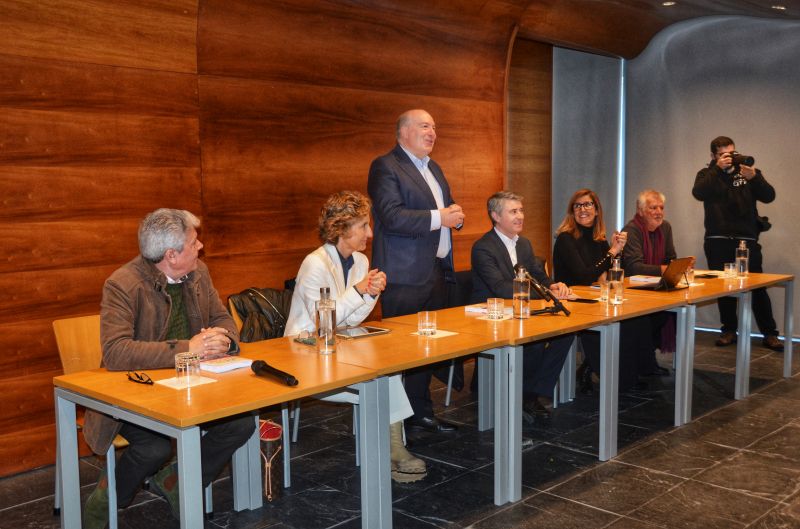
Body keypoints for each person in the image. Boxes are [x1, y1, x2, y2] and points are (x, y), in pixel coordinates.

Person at [82, 209, 255, 528]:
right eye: (194, 242)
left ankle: (176, 479)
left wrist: (225, 340)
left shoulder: (198, 272)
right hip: (136, 392)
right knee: (155, 447)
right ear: (172, 255)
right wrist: (188, 348)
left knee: (241, 423)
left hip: (194, 384)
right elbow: (117, 352)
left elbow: (221, 317)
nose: (200, 246)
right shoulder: (123, 284)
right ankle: (106, 502)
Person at [284, 190, 426, 482]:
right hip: (304, 352)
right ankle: (393, 451)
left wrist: (371, 292)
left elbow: (352, 319)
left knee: (388, 368)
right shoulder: (314, 263)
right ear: (341, 227)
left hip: (338, 346)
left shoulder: (360, 261)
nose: (370, 233)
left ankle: (392, 448)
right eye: (363, 226)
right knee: (380, 375)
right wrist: (361, 291)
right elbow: (322, 321)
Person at [368, 109, 465, 433]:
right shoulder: (386, 166)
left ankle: (421, 413)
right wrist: (441, 217)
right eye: (425, 126)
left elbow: (443, 209)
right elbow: (393, 216)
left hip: (435, 271)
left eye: (435, 126)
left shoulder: (433, 168)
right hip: (404, 275)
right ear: (404, 131)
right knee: (401, 351)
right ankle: (395, 423)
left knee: (427, 348)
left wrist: (455, 216)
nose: (432, 132)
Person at [472, 191, 574, 422]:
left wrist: (554, 287)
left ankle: (534, 392)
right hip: (491, 314)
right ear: (496, 216)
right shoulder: (483, 247)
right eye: (513, 211)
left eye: (521, 210)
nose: (520, 216)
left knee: (565, 334)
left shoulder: (524, 244)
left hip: (520, 310)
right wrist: (543, 294)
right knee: (535, 339)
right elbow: (500, 288)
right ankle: (523, 395)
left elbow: (539, 276)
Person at [553, 189, 656, 392]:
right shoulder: (566, 238)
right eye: (578, 205)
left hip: (594, 295)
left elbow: (607, 272)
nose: (583, 209)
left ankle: (633, 372)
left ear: (597, 210)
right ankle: (615, 377)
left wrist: (617, 249)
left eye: (588, 204)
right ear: (572, 211)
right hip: (572, 300)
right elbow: (584, 276)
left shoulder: (598, 239)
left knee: (638, 318)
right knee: (614, 323)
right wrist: (612, 252)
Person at [692, 136, 782, 351]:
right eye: (724, 154)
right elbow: (698, 192)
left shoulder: (747, 172)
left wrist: (755, 178)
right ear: (713, 156)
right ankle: (729, 330)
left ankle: (770, 334)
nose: (730, 158)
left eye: (732, 153)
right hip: (718, 239)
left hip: (747, 239)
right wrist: (717, 169)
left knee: (758, 287)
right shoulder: (707, 174)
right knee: (724, 288)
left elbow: (770, 196)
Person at [621, 190, 680, 372]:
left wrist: (678, 268)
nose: (658, 212)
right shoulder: (631, 230)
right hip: (633, 291)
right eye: (653, 208)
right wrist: (664, 270)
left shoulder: (666, 227)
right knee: (651, 318)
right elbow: (633, 267)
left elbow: (671, 258)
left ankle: (647, 359)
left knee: (674, 312)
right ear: (640, 210)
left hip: (656, 288)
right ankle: (643, 362)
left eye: (661, 207)